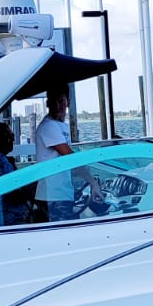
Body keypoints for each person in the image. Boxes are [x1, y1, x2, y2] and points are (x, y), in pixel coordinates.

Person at [33, 87, 95, 221]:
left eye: (61, 101)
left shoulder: (61, 126)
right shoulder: (49, 126)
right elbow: (70, 157)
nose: (57, 106)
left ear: (68, 102)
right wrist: (92, 182)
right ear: (47, 104)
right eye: (53, 102)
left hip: (61, 193)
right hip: (53, 197)